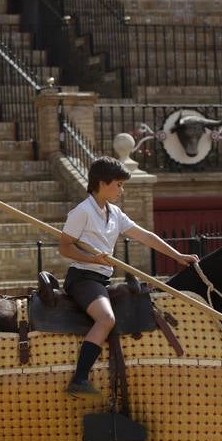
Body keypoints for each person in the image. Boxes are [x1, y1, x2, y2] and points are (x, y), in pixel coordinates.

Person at [59, 156, 199, 397]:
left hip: (102, 279)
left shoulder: (114, 213)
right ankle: (79, 379)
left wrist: (178, 256)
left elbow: (146, 236)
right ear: (103, 183)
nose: (121, 190)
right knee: (106, 320)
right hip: (82, 278)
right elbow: (64, 248)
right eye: (119, 185)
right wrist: (92, 259)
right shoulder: (81, 212)